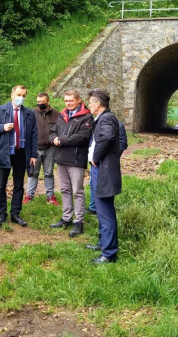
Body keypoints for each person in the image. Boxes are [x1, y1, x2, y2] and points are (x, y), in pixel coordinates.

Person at [0, 85, 38, 228]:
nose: (21, 98)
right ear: (12, 95)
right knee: (1, 185)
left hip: (22, 153)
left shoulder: (29, 113)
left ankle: (15, 214)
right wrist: (2, 127)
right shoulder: (0, 110)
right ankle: (2, 214)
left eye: (24, 95)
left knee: (19, 185)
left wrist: (33, 154)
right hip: (5, 153)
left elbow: (34, 134)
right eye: (19, 94)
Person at [49, 90, 93, 237]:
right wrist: (53, 138)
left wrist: (62, 140)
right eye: (66, 101)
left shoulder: (86, 116)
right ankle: (66, 218)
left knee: (77, 191)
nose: (68, 103)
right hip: (61, 158)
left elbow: (82, 136)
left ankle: (78, 222)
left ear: (78, 100)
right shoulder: (62, 115)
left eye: (71, 101)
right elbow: (52, 131)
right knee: (65, 190)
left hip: (75, 160)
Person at [85, 89, 122, 264]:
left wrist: (95, 157)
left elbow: (107, 137)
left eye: (91, 102)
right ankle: (103, 243)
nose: (89, 105)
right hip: (101, 170)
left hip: (103, 170)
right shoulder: (102, 118)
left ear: (98, 104)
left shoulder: (106, 118)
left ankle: (109, 253)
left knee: (105, 211)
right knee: (101, 210)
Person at [24, 92, 60, 206]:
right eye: (38, 102)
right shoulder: (32, 113)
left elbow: (60, 129)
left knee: (49, 173)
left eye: (43, 102)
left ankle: (50, 197)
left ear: (48, 101)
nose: (40, 104)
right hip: (35, 148)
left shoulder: (56, 114)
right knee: (33, 173)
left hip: (50, 148)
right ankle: (29, 196)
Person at [87, 119, 127, 215]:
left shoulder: (118, 124)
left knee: (106, 187)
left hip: (107, 162)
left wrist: (114, 156)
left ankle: (104, 211)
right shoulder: (96, 123)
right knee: (93, 183)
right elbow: (92, 141)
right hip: (95, 161)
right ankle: (93, 208)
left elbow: (122, 142)